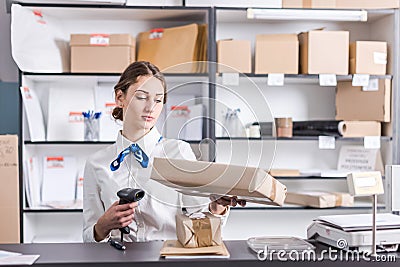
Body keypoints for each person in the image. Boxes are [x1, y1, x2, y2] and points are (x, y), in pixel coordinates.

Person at [83, 61, 245, 242]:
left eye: (158, 100)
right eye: (142, 97)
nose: (150, 107)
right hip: (116, 261)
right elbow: (89, 238)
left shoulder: (178, 152)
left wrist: (217, 207)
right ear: (120, 98)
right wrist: (102, 226)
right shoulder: (96, 163)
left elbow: (200, 222)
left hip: (167, 259)